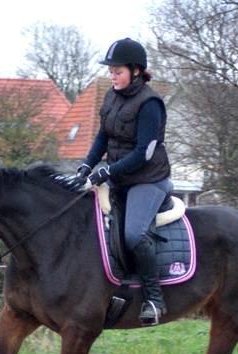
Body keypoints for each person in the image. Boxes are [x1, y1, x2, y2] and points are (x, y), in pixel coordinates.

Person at [78, 37, 173, 326]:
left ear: (135, 71)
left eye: (117, 71)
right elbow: (103, 136)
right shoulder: (111, 96)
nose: (112, 76)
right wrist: (87, 165)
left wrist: (107, 172)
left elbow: (143, 154)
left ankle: (154, 299)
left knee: (134, 234)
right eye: (111, 72)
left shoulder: (150, 104)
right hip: (120, 178)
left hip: (148, 179)